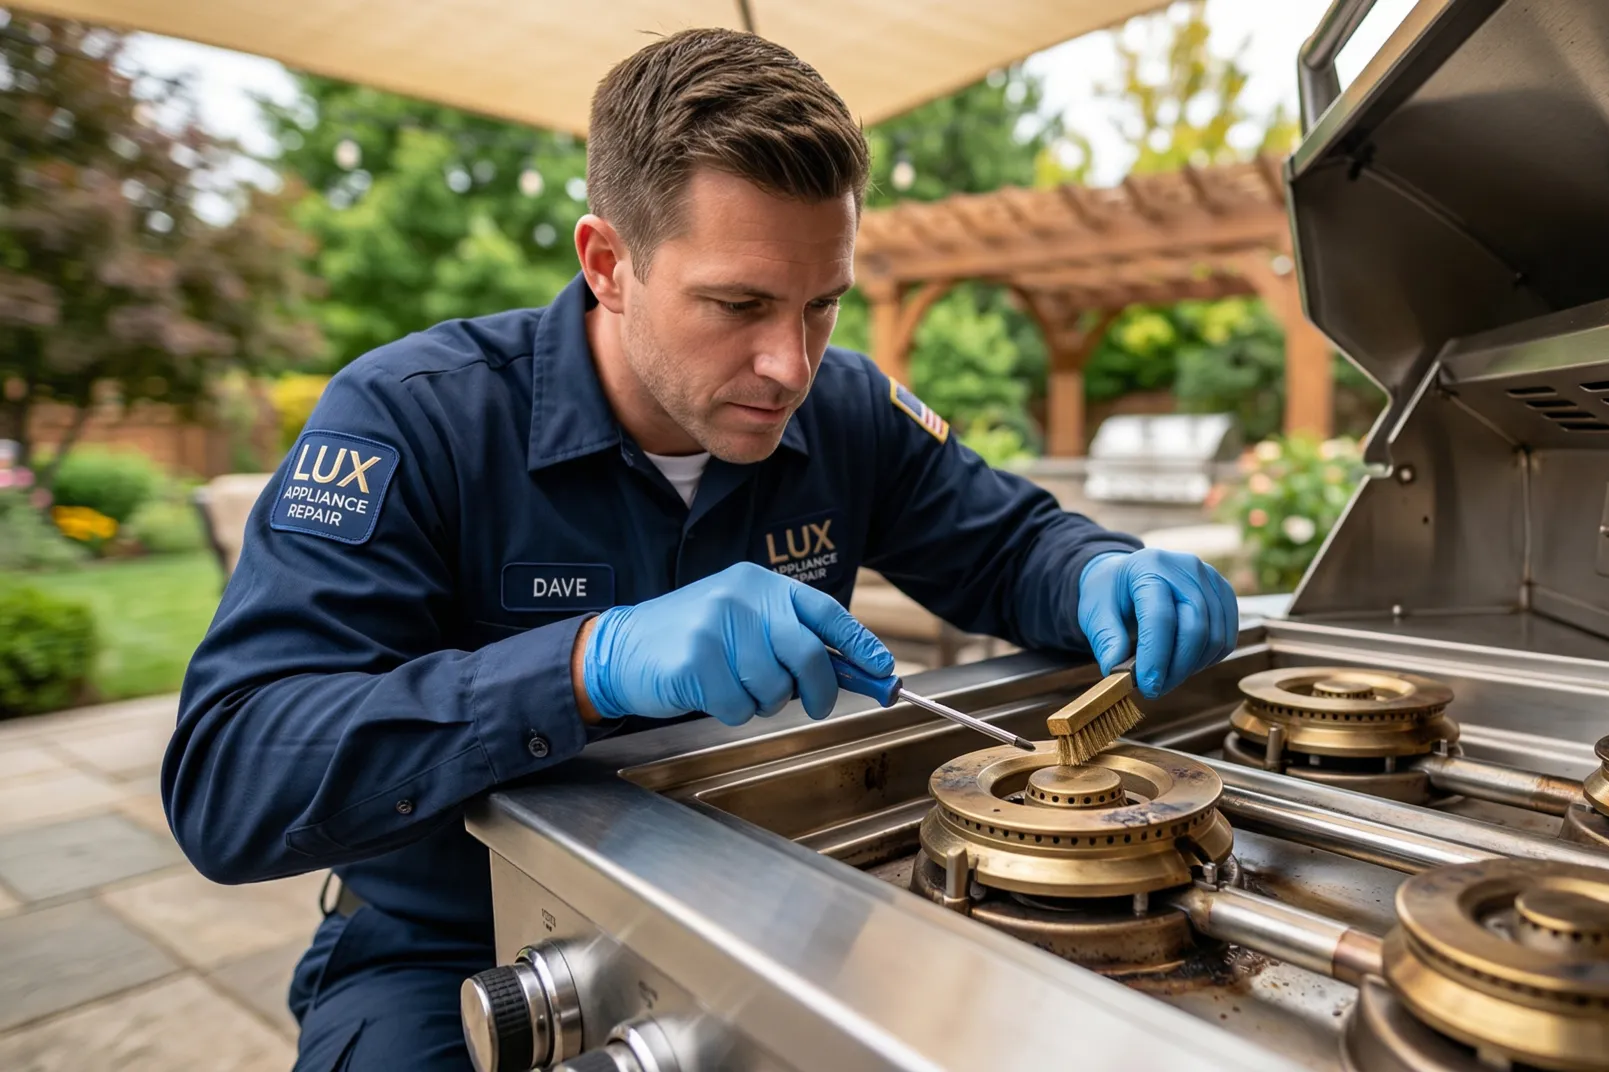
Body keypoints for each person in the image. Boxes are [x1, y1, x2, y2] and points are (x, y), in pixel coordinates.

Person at [165, 28, 1239, 1071]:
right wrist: (583, 665)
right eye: (739, 304)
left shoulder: (851, 414)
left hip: (772, 906)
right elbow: (229, 778)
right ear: (608, 263)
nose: (790, 363)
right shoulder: (417, 420)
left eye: (824, 304)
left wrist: (1100, 570)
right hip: (456, 942)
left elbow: (1012, 547)